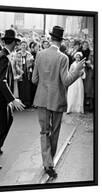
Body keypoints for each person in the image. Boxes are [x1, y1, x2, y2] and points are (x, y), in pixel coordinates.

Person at [32, 26, 85, 178]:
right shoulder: (63, 58)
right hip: (57, 100)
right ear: (61, 41)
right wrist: (78, 71)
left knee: (44, 131)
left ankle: (47, 162)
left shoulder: (40, 54)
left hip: (41, 99)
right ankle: (50, 163)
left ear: (50, 38)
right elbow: (66, 81)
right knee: (54, 132)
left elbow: (34, 79)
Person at [0, 29, 25, 170]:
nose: (17, 45)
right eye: (16, 42)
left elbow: (3, 79)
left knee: (8, 120)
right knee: (0, 129)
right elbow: (2, 81)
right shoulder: (4, 57)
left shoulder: (5, 55)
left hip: (2, 98)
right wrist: (13, 99)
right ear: (12, 42)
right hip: (1, 99)